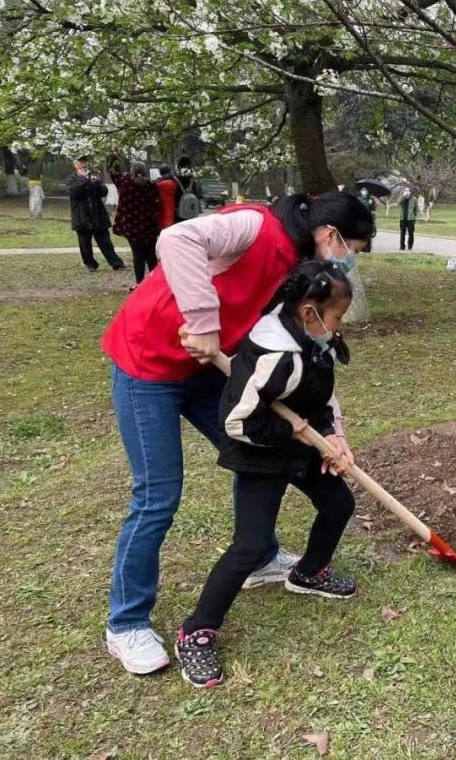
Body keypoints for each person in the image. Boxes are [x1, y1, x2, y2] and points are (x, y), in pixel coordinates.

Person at [101, 190, 374, 676]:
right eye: (352, 248)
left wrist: (336, 430)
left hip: (209, 370)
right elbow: (178, 237)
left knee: (253, 449)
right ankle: (127, 623)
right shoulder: (254, 226)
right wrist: (204, 321)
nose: (348, 261)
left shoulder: (303, 279)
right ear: (332, 236)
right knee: (157, 495)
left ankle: (263, 556)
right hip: (149, 364)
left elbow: (310, 364)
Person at [175, 261, 358, 688]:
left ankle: (310, 572)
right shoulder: (274, 354)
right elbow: (235, 423)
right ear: (309, 311)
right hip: (260, 449)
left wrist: (333, 436)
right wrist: (288, 431)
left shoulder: (314, 340)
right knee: (251, 544)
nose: (339, 326)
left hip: (300, 440)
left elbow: (322, 396)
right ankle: (197, 632)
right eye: (336, 317)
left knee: (339, 503)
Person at [66, 154, 126, 273]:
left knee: (105, 241)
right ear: (75, 164)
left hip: (98, 215)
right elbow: (73, 193)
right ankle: (90, 265)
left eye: (85, 161)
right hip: (82, 216)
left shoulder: (93, 176)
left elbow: (104, 192)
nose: (84, 164)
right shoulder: (71, 179)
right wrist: (82, 180)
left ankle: (116, 263)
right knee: (85, 244)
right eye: (81, 161)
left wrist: (98, 183)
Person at [108, 157, 161, 286]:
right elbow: (156, 205)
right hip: (149, 227)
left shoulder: (125, 184)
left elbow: (113, 173)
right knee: (151, 256)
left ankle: (140, 283)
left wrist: (113, 157)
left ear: (131, 172)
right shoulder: (152, 187)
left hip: (132, 228)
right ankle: (155, 283)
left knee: (138, 256)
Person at [175, 155, 204, 223]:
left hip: (180, 205)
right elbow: (197, 192)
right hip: (191, 206)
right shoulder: (191, 177)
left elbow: (176, 193)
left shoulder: (177, 177)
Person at [155, 165, 180, 231]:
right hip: (173, 209)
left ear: (160, 173)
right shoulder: (175, 182)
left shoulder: (158, 184)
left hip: (161, 209)